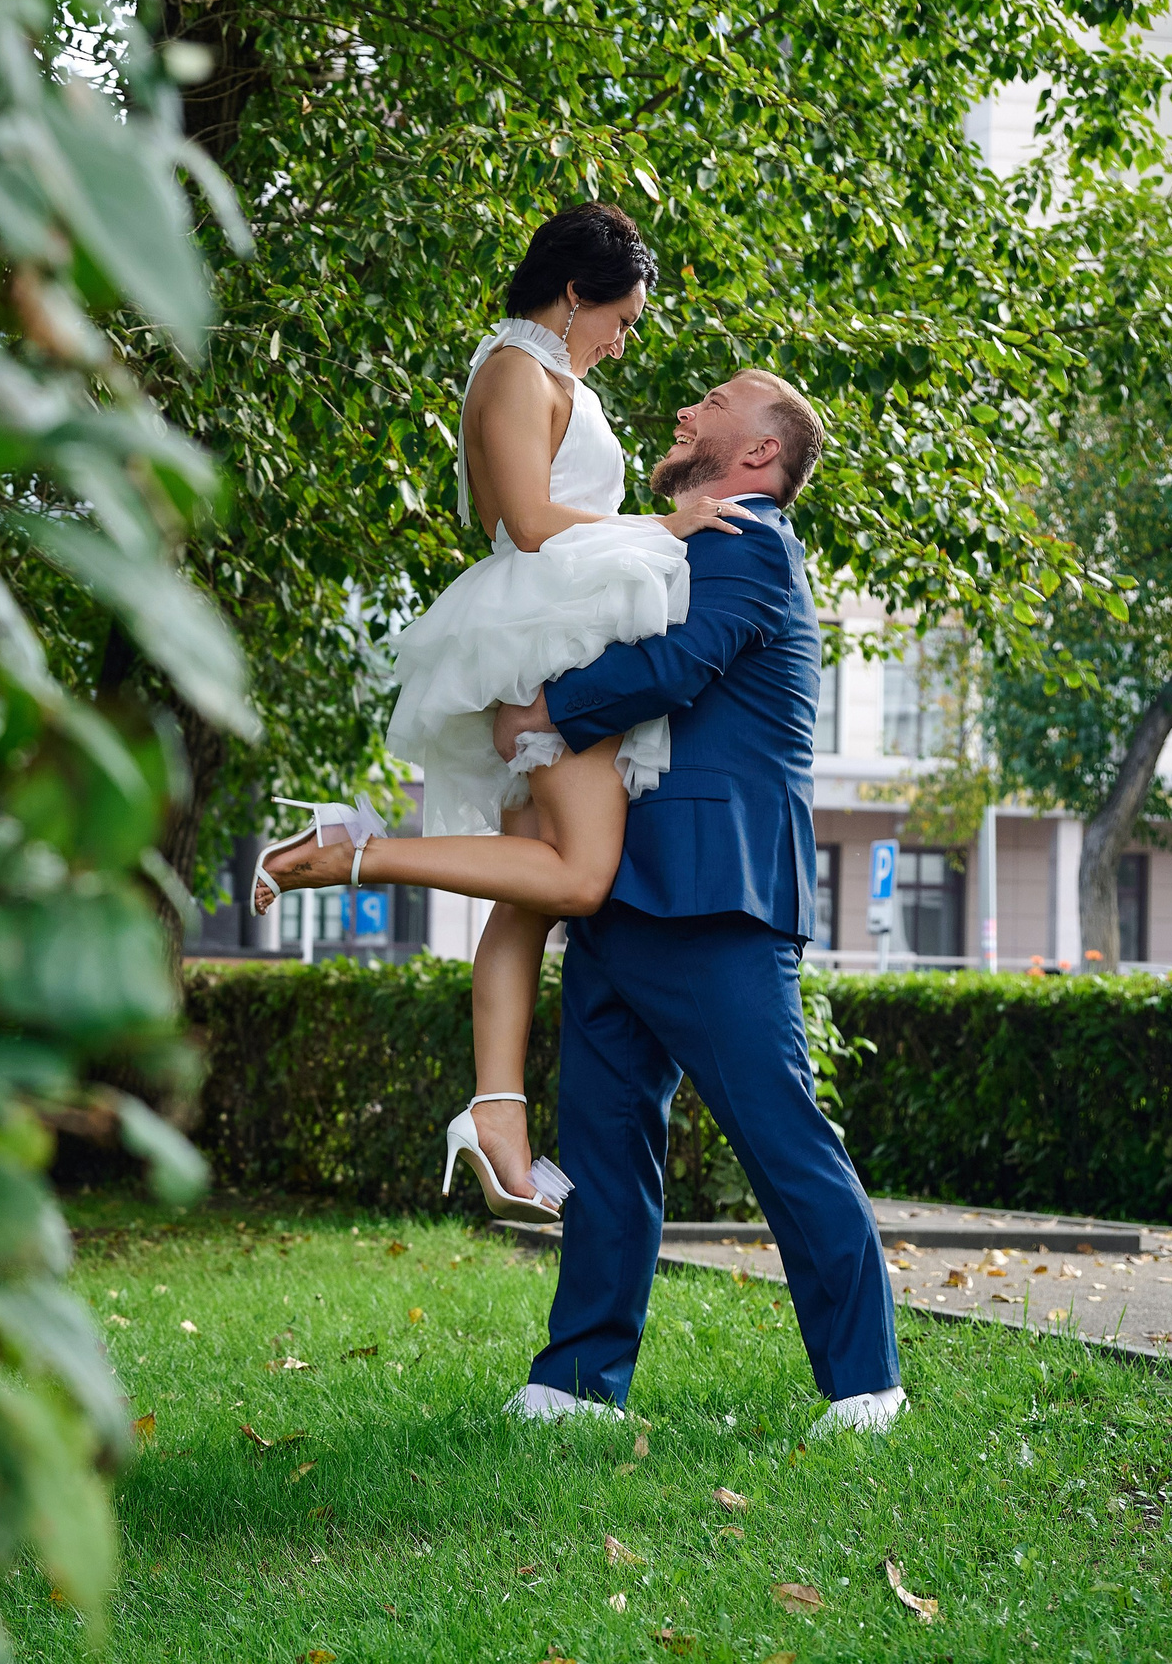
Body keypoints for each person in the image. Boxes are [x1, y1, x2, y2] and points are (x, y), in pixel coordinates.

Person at [259, 367, 908, 1436]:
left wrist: (542, 708)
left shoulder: (751, 537)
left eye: (718, 399)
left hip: (714, 897)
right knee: (607, 1150)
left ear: (758, 456)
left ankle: (865, 1382)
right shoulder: (661, 542)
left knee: (782, 1140)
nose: (689, 404)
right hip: (615, 890)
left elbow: (684, 664)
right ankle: (576, 1382)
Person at [253, 202, 746, 1219]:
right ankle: (350, 849)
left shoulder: (547, 373)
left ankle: (496, 1116)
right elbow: (524, 521)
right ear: (574, 294)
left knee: (524, 900)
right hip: (545, 642)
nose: (625, 337)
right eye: (622, 316)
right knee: (578, 874)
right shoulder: (517, 371)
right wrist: (668, 520)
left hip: (550, 631)